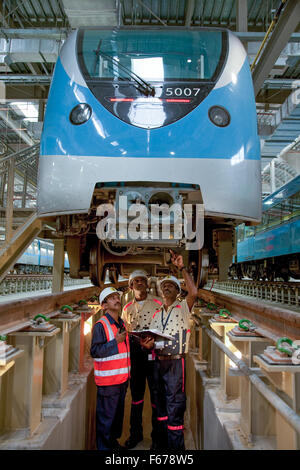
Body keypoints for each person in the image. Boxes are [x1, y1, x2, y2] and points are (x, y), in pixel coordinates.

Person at [141, 250, 198, 450]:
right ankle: (160, 444)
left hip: (175, 363)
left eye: (171, 286)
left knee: (175, 405)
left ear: (177, 291)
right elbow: (158, 342)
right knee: (159, 404)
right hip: (158, 362)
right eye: (164, 286)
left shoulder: (183, 308)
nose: (166, 288)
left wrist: (182, 268)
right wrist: (149, 344)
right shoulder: (157, 314)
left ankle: (176, 450)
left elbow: (194, 293)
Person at [122, 270, 163, 450]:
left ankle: (156, 438)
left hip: (154, 355)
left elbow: (166, 328)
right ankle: (135, 434)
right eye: (136, 281)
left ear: (147, 284)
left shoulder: (158, 303)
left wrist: (155, 343)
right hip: (136, 356)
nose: (139, 283)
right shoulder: (127, 308)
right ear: (131, 286)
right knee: (136, 397)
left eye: (142, 280)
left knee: (156, 397)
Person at [90, 287, 130, 451]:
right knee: (106, 421)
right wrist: (116, 341)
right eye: (111, 298)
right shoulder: (101, 325)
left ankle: (113, 445)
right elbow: (95, 351)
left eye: (117, 296)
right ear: (104, 306)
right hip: (108, 383)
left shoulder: (120, 323)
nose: (116, 299)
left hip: (121, 380)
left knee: (116, 419)